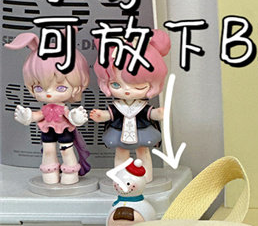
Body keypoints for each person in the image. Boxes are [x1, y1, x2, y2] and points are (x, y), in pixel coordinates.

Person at [5, 32, 91, 186]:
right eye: (39, 88)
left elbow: (69, 116)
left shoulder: (62, 108)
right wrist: (28, 117)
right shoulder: (45, 108)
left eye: (60, 87)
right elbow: (38, 115)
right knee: (48, 150)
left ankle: (70, 171)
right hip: (47, 131)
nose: (49, 93)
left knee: (67, 150)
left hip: (64, 131)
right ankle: (49, 171)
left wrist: (75, 118)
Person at [90, 30, 171, 184]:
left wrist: (158, 114)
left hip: (141, 129)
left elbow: (149, 113)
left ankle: (146, 177)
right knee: (121, 153)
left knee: (143, 152)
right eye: (116, 85)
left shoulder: (141, 105)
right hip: (119, 130)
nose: (127, 91)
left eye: (138, 86)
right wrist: (101, 116)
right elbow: (110, 114)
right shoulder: (117, 105)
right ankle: (120, 177)